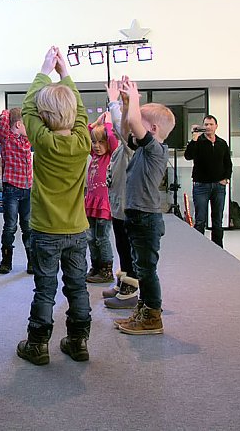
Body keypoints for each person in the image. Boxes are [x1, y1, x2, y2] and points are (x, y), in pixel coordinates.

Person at [16, 47, 92, 365]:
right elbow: (83, 111)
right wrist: (65, 74)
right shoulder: (84, 141)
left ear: (43, 117)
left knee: (44, 288)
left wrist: (44, 70)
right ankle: (78, 341)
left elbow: (27, 109)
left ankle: (38, 344)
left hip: (46, 231)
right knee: (77, 287)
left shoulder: (43, 143)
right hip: (78, 231)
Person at [114, 77, 176, 335]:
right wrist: (127, 103)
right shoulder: (142, 149)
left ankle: (153, 316)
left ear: (151, 128)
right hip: (137, 216)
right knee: (141, 268)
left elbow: (132, 123)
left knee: (147, 271)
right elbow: (124, 128)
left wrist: (134, 97)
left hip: (146, 219)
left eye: (140, 120)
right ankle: (144, 309)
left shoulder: (156, 150)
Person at [103, 80, 139, 309]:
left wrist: (116, 101)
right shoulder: (121, 148)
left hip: (127, 209)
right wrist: (125, 103)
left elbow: (120, 126)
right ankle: (122, 282)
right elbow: (121, 126)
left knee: (127, 250)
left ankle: (130, 290)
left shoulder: (132, 147)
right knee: (121, 248)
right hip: (118, 209)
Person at [184, 115, 232, 248]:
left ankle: (218, 249)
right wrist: (194, 138)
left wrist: (226, 178)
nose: (208, 127)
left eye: (211, 124)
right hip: (201, 186)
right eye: (206, 124)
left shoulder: (222, 143)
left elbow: (228, 163)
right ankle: (199, 249)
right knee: (200, 220)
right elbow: (188, 156)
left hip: (219, 186)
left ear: (216, 126)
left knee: (217, 220)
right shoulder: (197, 142)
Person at [0, 107, 33, 274]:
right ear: (18, 124)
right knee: (10, 226)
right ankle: (6, 260)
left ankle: (32, 261)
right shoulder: (7, 139)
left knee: (28, 226)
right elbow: (3, 119)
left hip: (27, 190)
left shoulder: (27, 141)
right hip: (12, 189)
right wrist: (10, 112)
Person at [84, 111, 119, 284]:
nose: (97, 146)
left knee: (101, 238)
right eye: (94, 142)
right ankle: (95, 266)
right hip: (91, 202)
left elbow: (113, 139)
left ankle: (106, 270)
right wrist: (95, 123)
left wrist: (108, 124)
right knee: (90, 237)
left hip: (104, 203)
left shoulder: (109, 156)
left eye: (101, 142)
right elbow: (85, 134)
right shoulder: (95, 156)